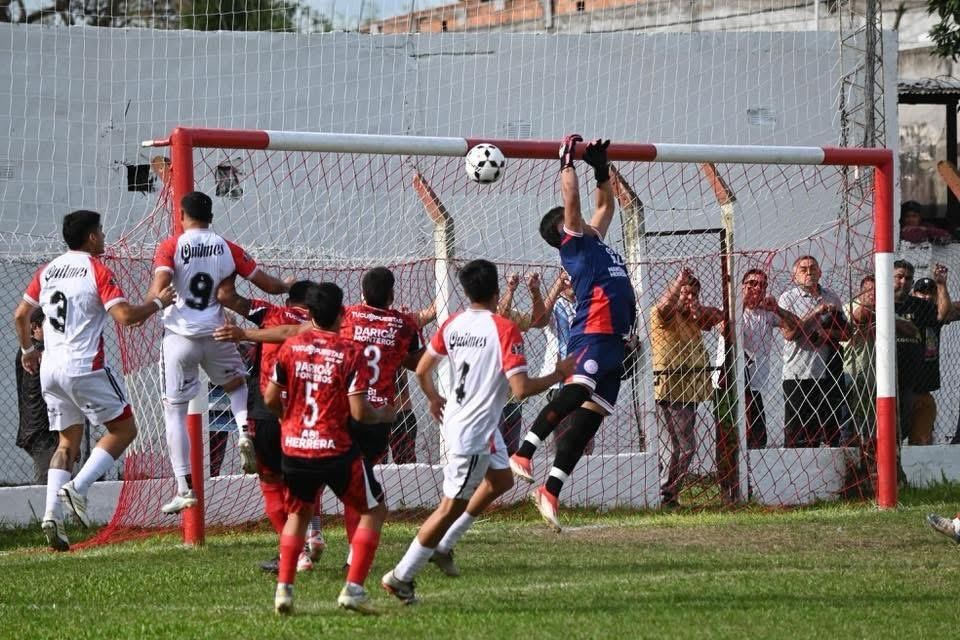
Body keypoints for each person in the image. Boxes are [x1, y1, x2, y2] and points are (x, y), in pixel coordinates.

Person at [381, 259, 574, 603]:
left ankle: (445, 546)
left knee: (501, 480)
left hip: (468, 421)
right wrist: (559, 373)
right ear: (496, 289)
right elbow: (520, 389)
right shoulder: (504, 328)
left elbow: (423, 368)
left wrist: (431, 397)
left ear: (467, 291)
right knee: (448, 508)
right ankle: (401, 575)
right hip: (474, 430)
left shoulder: (454, 323)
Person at [13, 209, 175, 550]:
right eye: (101, 232)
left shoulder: (47, 270)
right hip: (84, 366)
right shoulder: (96, 269)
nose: (104, 236)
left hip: (50, 369)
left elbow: (20, 315)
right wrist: (158, 302)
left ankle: (51, 514)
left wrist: (29, 350)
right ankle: (79, 487)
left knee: (66, 445)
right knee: (125, 430)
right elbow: (126, 317)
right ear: (91, 237)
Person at [509, 136, 637, 531]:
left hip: (617, 339)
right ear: (565, 228)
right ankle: (524, 452)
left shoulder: (594, 240)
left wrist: (601, 169)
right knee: (578, 390)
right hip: (593, 331)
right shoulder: (575, 247)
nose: (581, 218)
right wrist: (568, 163)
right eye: (572, 218)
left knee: (589, 419)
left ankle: (550, 490)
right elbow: (576, 204)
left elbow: (604, 205)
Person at [146, 191, 289, 515]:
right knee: (237, 386)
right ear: (211, 216)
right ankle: (242, 431)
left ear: (182, 215)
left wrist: (151, 301)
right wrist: (286, 286)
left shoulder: (171, 246)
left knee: (175, 412)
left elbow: (160, 286)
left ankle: (185, 489)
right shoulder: (227, 247)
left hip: (180, 337)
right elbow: (265, 283)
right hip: (217, 331)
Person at [264, 282, 396, 615]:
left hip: (294, 448)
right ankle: (353, 589)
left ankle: (284, 589)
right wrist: (383, 413)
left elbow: (269, 398)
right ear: (342, 313)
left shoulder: (291, 347)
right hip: (335, 449)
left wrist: (286, 419)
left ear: (309, 314)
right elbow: (359, 413)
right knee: (374, 510)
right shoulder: (349, 352)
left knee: (298, 514)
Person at [216, 277, 322, 573]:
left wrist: (233, 264)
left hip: (268, 410)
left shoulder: (269, 312)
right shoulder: (321, 322)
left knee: (271, 483)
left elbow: (225, 295)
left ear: (290, 300)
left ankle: (297, 553)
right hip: (306, 414)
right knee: (304, 481)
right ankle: (313, 532)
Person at [338, 267, 422, 570]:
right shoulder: (403, 324)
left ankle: (313, 540)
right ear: (391, 294)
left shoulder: (346, 317)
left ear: (362, 292)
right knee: (362, 479)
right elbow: (416, 362)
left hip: (345, 410)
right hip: (380, 416)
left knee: (342, 481)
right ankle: (351, 553)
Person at [651, 269, 723, 507]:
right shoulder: (665, 313)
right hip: (670, 389)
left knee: (683, 447)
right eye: (684, 293)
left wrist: (697, 308)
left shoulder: (694, 316)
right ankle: (665, 494)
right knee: (678, 447)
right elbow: (663, 308)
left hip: (690, 390)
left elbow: (717, 317)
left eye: (693, 293)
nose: (688, 297)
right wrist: (678, 284)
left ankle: (668, 493)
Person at [712, 269, 801, 449]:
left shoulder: (766, 313)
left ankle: (752, 476)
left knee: (758, 439)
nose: (757, 288)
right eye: (752, 283)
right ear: (743, 287)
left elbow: (797, 326)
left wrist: (778, 309)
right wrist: (741, 303)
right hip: (728, 385)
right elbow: (726, 331)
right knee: (731, 439)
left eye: (762, 285)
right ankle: (730, 476)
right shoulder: (730, 310)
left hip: (754, 385)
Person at [778, 255, 849, 448]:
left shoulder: (832, 297)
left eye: (813, 268)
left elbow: (846, 333)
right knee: (798, 432)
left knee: (826, 431)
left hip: (828, 375)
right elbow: (790, 334)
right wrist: (816, 312)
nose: (809, 272)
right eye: (803, 269)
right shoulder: (788, 299)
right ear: (795, 276)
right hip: (798, 375)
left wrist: (826, 335)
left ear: (820, 272)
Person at [496, 271, 549, 455]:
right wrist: (511, 290)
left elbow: (540, 320)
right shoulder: (481, 320)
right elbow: (501, 316)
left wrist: (535, 292)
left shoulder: (512, 316)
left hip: (512, 399)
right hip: (490, 402)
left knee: (510, 457)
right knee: (491, 459)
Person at [891, 260, 942, 445]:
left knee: (921, 441)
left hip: (919, 387)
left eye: (908, 278)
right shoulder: (878, 305)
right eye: (899, 277)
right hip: (888, 389)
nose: (904, 281)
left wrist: (942, 285)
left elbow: (943, 314)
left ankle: (920, 474)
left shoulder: (922, 306)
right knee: (890, 442)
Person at [907, 268, 955, 445]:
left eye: (930, 293)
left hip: (923, 390)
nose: (926, 297)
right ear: (913, 293)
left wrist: (941, 285)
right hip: (901, 389)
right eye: (922, 293)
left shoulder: (935, 316)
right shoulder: (907, 312)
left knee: (923, 440)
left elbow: (946, 311)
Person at [15, 307, 57, 483]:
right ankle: (44, 510)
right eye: (51, 325)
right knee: (48, 479)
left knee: (57, 474)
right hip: (40, 429)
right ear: (34, 327)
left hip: (41, 427)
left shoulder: (34, 352)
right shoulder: (36, 354)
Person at [391, 301, 436, 464]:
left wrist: (449, 276)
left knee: (407, 466)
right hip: (372, 416)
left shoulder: (401, 322)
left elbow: (433, 311)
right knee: (371, 469)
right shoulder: (355, 325)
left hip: (402, 413)